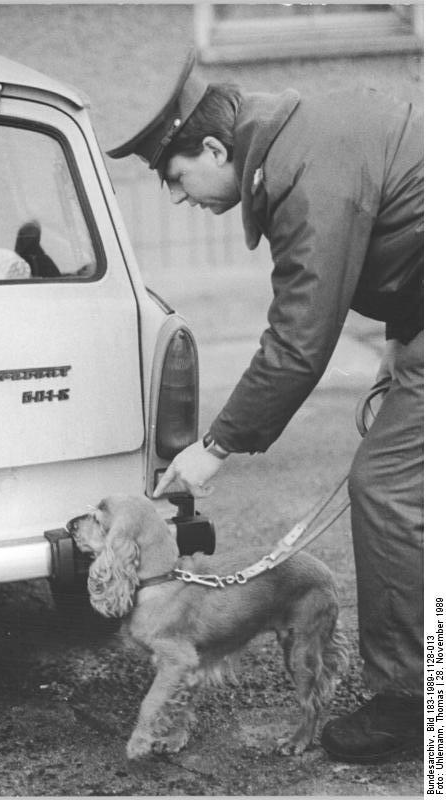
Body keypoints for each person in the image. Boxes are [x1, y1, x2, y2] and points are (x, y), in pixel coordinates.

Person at [106, 51, 423, 763]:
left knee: (387, 486)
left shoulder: (302, 176)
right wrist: (404, 340)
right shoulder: (303, 143)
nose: (182, 200)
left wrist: (213, 447)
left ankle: (410, 705)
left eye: (179, 179)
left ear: (216, 148)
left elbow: (299, 340)